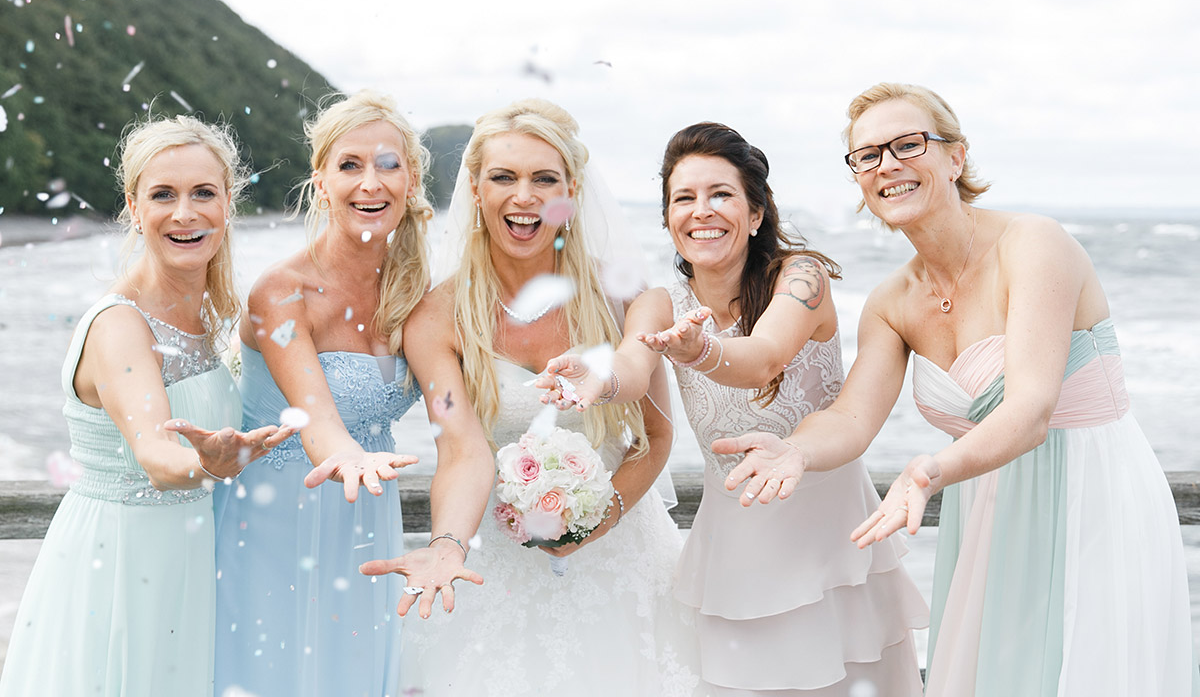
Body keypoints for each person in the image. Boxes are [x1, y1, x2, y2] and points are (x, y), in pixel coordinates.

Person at [718, 83, 1199, 696]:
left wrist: (929, 471)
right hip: (988, 511)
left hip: (1091, 496)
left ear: (956, 157)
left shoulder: (1033, 244)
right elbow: (852, 417)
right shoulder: (892, 303)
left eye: (908, 144)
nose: (887, 165)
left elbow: (1030, 410)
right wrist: (798, 450)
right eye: (867, 156)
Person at [538, 122, 927, 696]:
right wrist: (597, 379)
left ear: (756, 213)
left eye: (721, 194)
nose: (702, 211)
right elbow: (633, 366)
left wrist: (702, 349)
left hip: (832, 543)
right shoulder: (657, 303)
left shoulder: (801, 278)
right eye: (684, 199)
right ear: (669, 219)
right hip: (735, 555)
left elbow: (763, 358)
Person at [360, 98, 701, 696]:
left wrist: (599, 520)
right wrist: (444, 548)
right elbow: (463, 450)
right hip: (498, 566)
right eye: (504, 177)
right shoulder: (437, 318)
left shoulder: (626, 297)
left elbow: (658, 433)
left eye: (545, 178)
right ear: (475, 187)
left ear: (571, 190)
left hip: (623, 560)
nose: (525, 196)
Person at [0, 116, 288, 697]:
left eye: (203, 193)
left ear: (228, 203)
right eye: (163, 195)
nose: (185, 213)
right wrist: (208, 462)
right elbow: (157, 453)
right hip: (121, 563)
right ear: (134, 207)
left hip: (187, 558)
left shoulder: (210, 319)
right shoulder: (119, 325)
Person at [213, 91, 427, 697]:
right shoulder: (280, 292)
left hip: (365, 514)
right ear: (322, 180)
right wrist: (349, 454)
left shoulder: (415, 296)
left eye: (389, 165)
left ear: (411, 181)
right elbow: (314, 417)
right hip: (275, 514)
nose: (370, 183)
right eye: (350, 165)